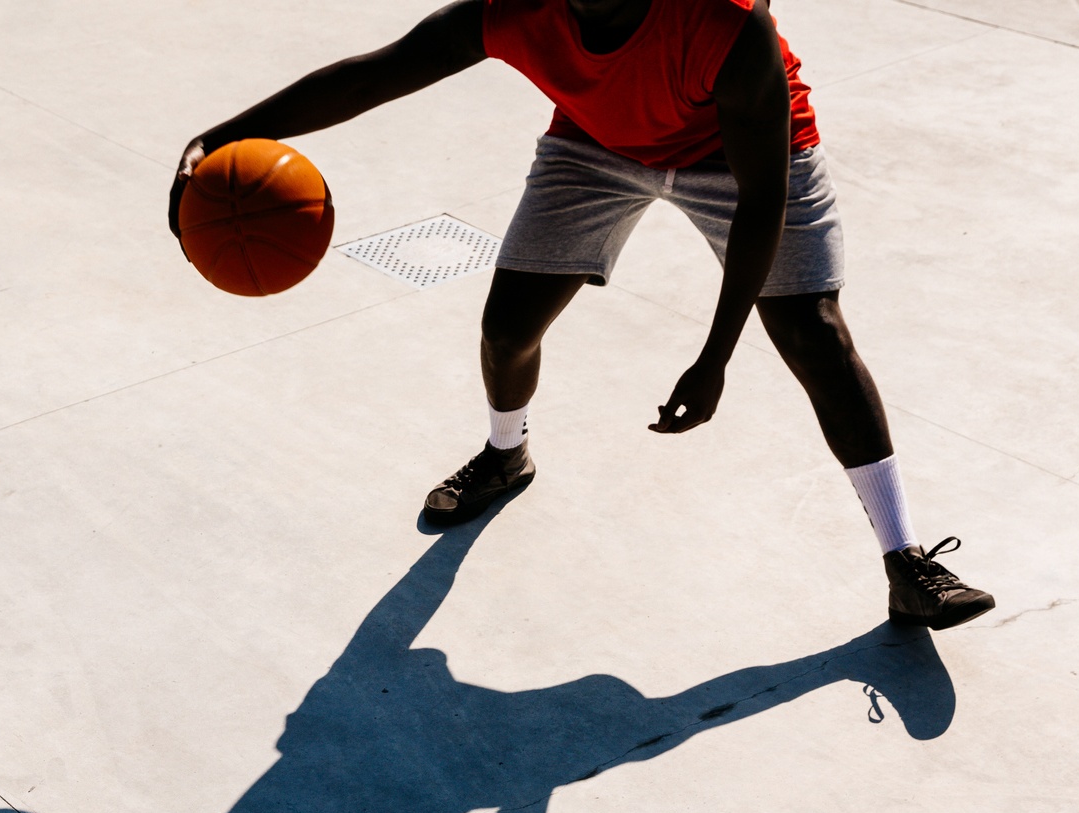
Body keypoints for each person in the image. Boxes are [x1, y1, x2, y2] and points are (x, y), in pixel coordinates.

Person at [167, 0, 993, 630]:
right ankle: (505, 456)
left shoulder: (725, 24)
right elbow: (375, 74)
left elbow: (763, 201)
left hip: (734, 161)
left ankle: (904, 560)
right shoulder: (522, 9)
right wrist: (218, 137)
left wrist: (715, 357)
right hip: (595, 146)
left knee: (813, 332)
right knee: (506, 329)